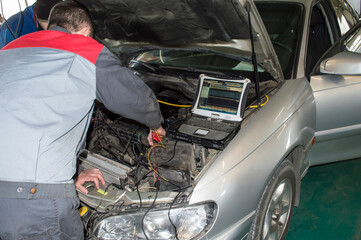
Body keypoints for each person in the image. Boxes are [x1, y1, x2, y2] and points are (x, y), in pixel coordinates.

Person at [0, 0, 166, 239]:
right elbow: (135, 98)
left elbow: (24, 114)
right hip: (33, 203)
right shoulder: (84, 48)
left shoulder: (10, 49)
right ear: (86, 33)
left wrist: (72, 176)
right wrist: (157, 124)